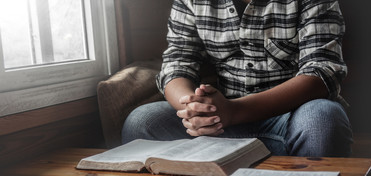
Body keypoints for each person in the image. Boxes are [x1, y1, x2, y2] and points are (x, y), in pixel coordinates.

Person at [122, 0, 353, 157]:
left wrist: (233, 111)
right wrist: (195, 108)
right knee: (142, 123)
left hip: (290, 119)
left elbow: (322, 73)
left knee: (324, 121)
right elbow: (177, 64)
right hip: (219, 123)